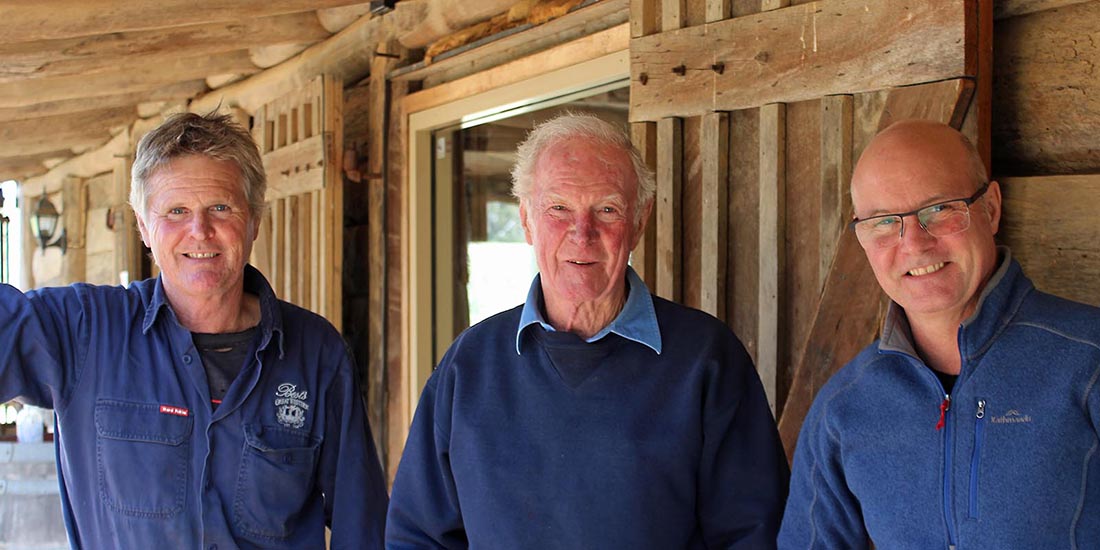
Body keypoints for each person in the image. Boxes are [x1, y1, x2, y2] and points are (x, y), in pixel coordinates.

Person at [386, 113, 788, 549]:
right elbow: (419, 537)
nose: (582, 234)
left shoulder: (707, 359)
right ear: (526, 219)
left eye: (607, 209)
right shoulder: (468, 365)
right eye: (558, 208)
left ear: (639, 221)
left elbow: (754, 535)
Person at [0, 112, 388, 549]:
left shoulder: (316, 352)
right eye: (176, 211)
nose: (199, 231)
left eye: (220, 208)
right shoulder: (84, 330)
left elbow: (364, 526)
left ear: (254, 219)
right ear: (144, 227)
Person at [779, 120, 1100, 548]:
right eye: (883, 222)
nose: (914, 244)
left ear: (991, 208)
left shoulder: (1088, 359)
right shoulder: (844, 408)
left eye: (940, 210)